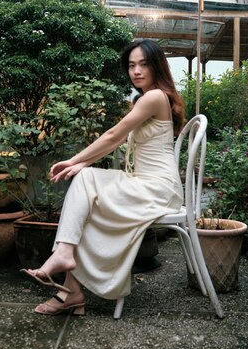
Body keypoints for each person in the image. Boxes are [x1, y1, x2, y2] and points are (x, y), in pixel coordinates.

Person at [21, 39, 185, 315]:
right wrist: (80, 163)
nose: (136, 71)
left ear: (157, 66)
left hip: (158, 187)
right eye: (131, 65)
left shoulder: (155, 97)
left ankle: (64, 264)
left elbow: (113, 135)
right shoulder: (145, 99)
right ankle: (70, 288)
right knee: (85, 200)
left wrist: (74, 162)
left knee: (85, 180)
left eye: (144, 64)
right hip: (143, 183)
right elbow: (113, 142)